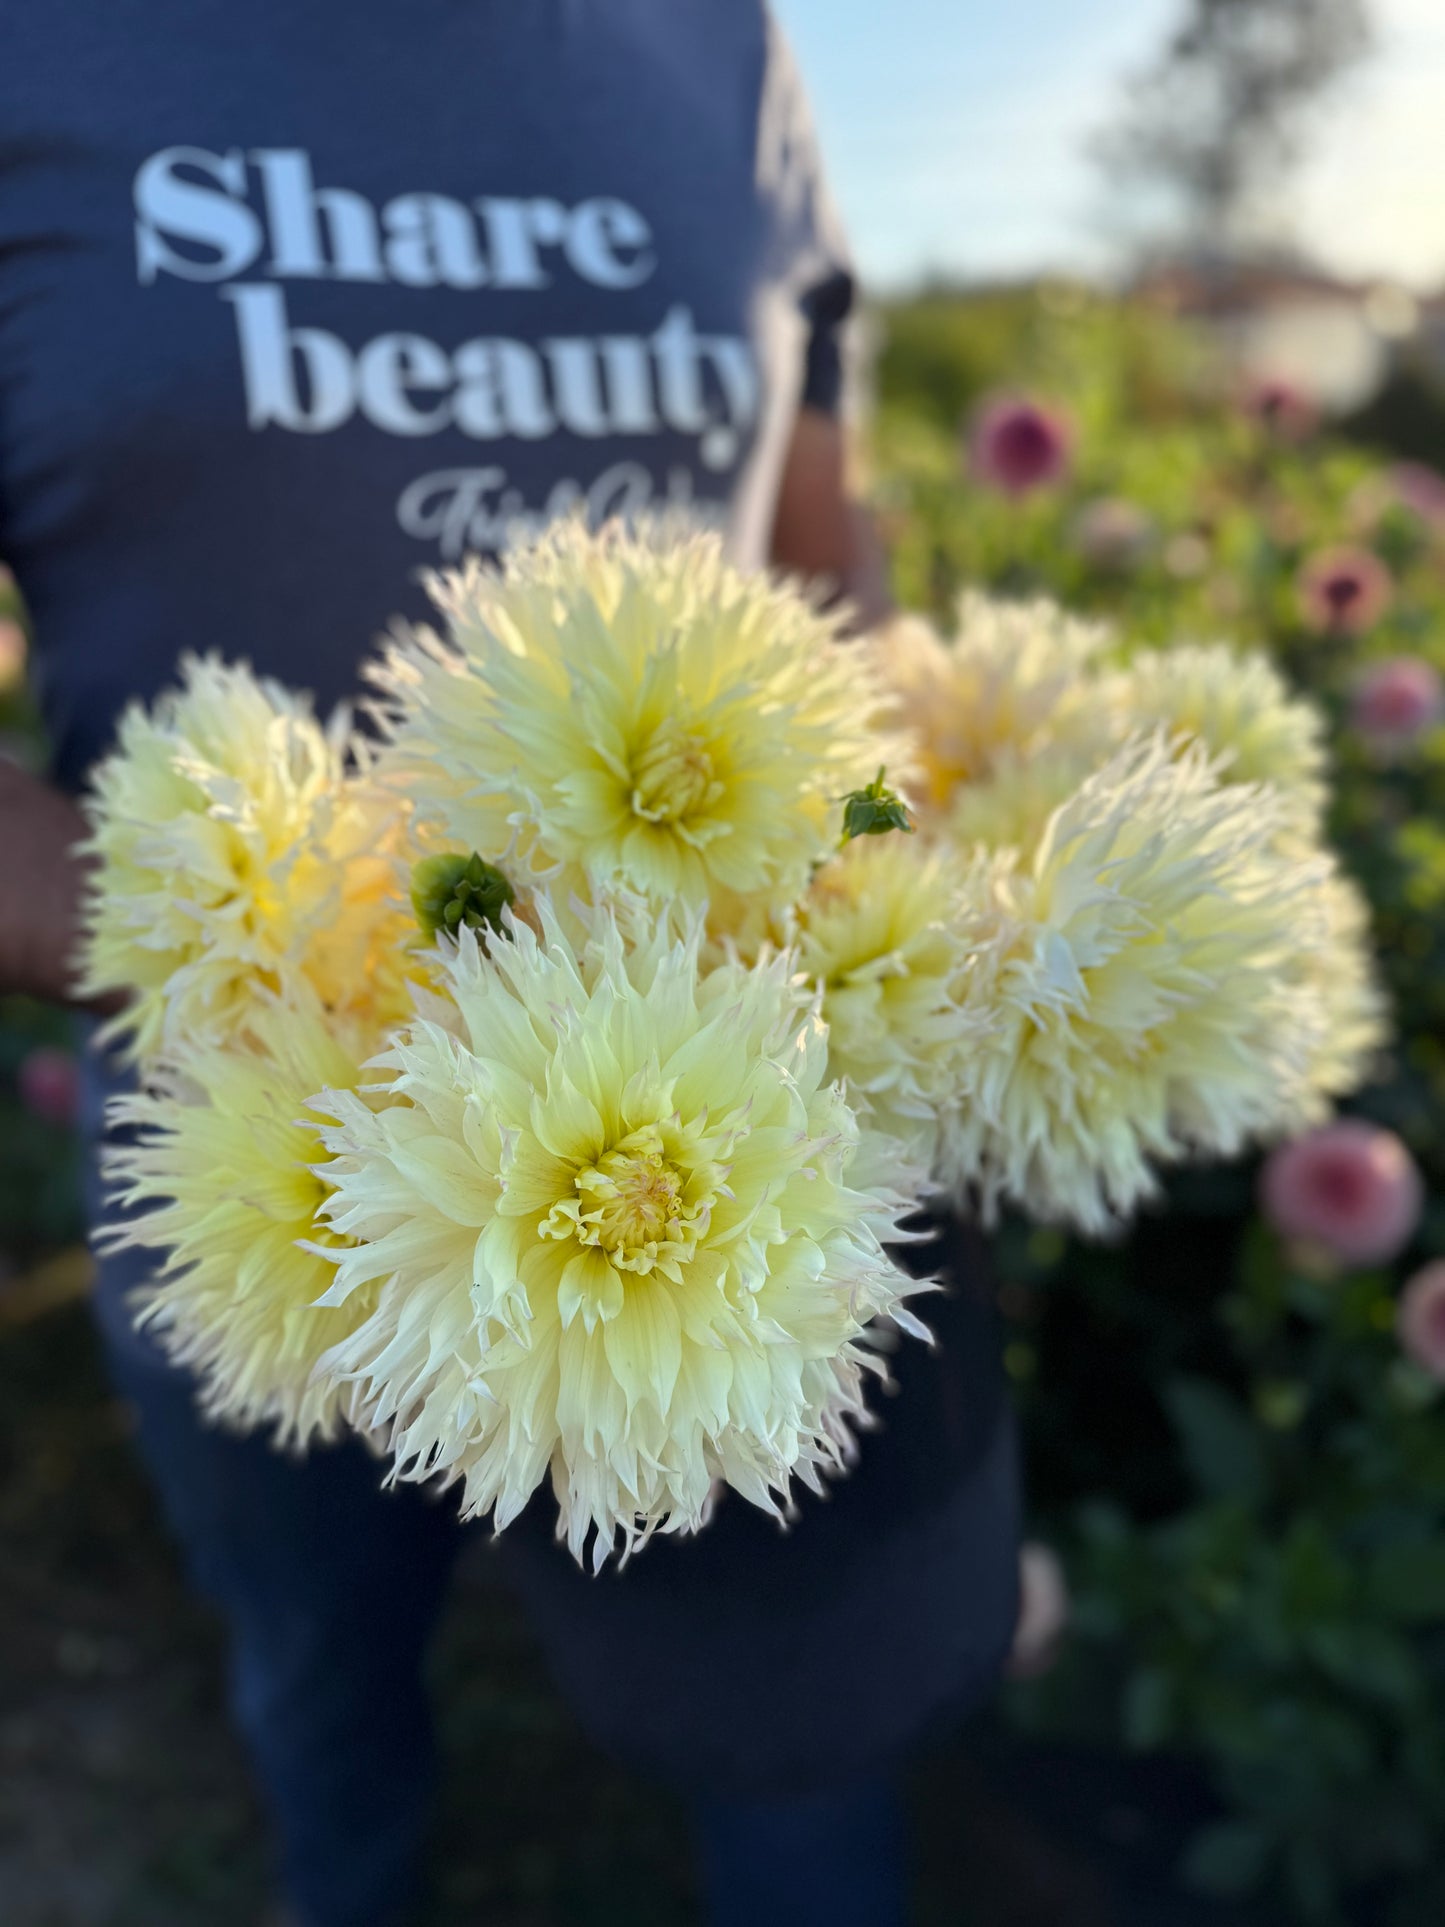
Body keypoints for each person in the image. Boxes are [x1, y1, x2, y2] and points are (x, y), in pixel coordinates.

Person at [0, 7, 1020, 1924]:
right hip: (265, 1160)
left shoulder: (724, 44)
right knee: (326, 1667)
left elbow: (826, 570)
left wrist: (893, 873)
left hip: (740, 1122)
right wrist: (260, 954)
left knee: (801, 1732)